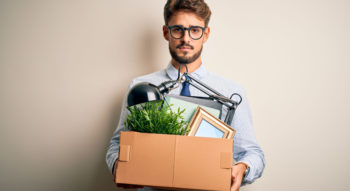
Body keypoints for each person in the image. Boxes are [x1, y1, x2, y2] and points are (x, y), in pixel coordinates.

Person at [106, 0, 265, 190]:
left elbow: (253, 154)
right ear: (166, 33)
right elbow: (117, 145)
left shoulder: (231, 92)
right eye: (178, 30)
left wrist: (243, 168)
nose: (186, 39)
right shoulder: (141, 88)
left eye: (195, 30)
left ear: (205, 34)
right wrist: (119, 166)